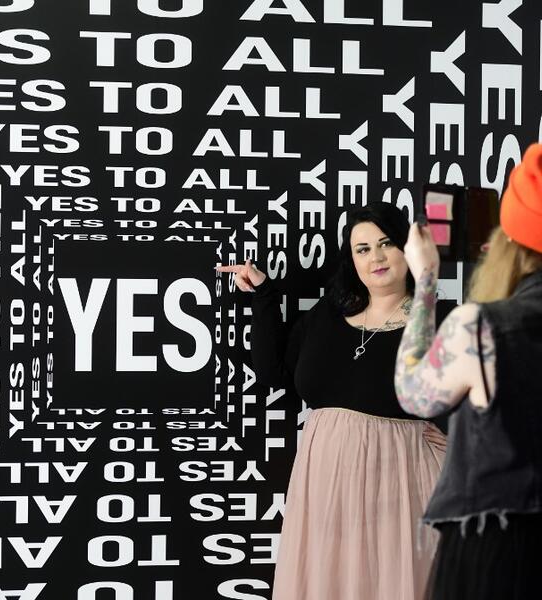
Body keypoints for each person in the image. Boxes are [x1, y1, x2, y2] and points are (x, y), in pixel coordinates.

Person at [218, 202, 450, 600]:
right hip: (324, 488)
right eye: (362, 249)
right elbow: (276, 375)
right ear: (351, 258)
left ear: (408, 249)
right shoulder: (328, 315)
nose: (375, 257)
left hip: (401, 487)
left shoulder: (437, 318)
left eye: (386, 243)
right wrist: (263, 294)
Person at [394, 143, 542, 600]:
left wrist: (424, 282)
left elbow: (415, 395)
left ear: (510, 242)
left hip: (498, 552)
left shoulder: (481, 328)